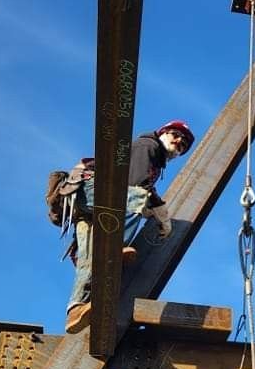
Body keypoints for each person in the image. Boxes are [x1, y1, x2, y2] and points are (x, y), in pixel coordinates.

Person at [65, 120, 195, 334]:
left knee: (90, 256)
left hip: (85, 205)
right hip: (91, 190)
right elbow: (136, 185)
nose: (178, 141)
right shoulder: (148, 146)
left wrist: (154, 209)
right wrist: (161, 212)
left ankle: (76, 309)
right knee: (137, 196)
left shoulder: (152, 154)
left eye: (183, 144)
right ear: (162, 133)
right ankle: (114, 245)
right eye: (175, 134)